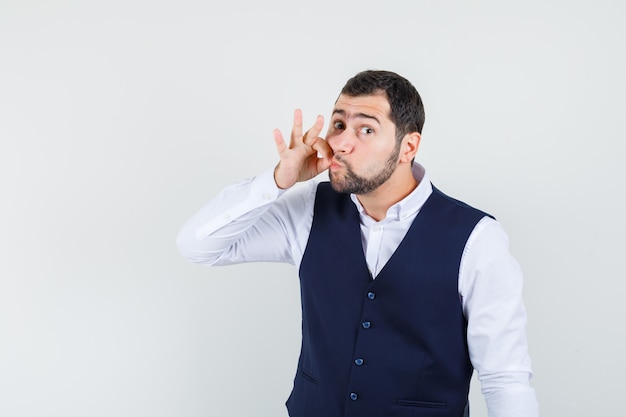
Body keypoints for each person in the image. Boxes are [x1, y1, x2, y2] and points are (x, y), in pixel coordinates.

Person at [176, 70, 539, 417]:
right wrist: (277, 181)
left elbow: (505, 377)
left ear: (407, 146)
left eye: (366, 129)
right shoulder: (308, 211)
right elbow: (199, 245)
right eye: (339, 124)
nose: (341, 143)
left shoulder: (477, 237)